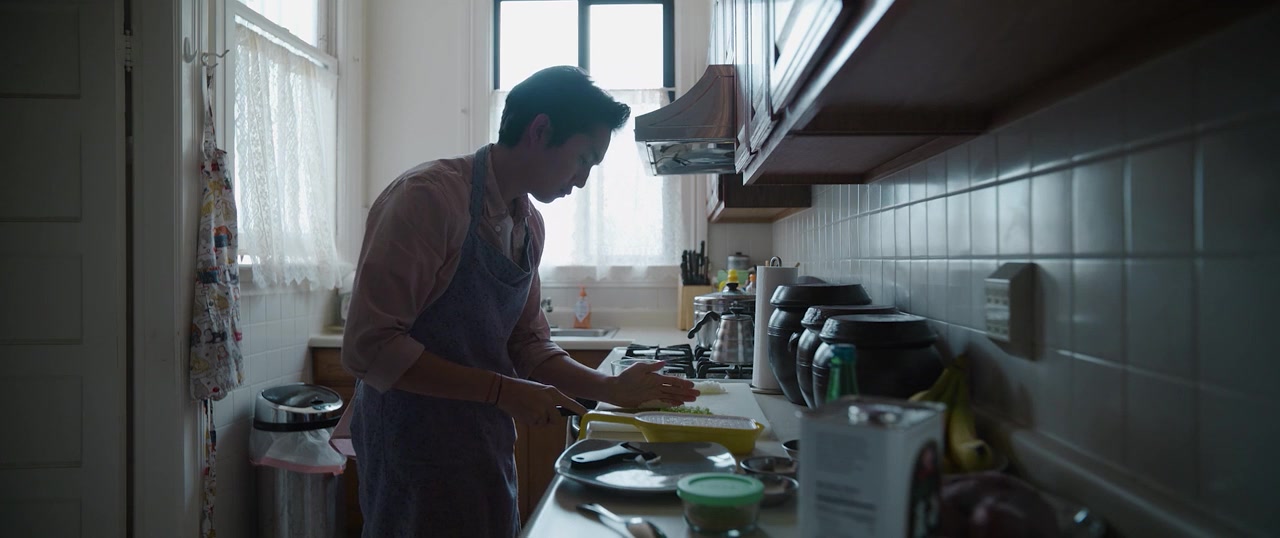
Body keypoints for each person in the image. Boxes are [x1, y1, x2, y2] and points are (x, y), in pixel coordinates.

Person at [341, 66, 700, 537]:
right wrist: (504, 392)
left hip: (484, 439)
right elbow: (370, 348)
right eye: (583, 159)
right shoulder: (427, 199)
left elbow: (527, 343)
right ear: (540, 130)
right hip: (412, 447)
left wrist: (610, 389)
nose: (583, 180)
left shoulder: (529, 224)